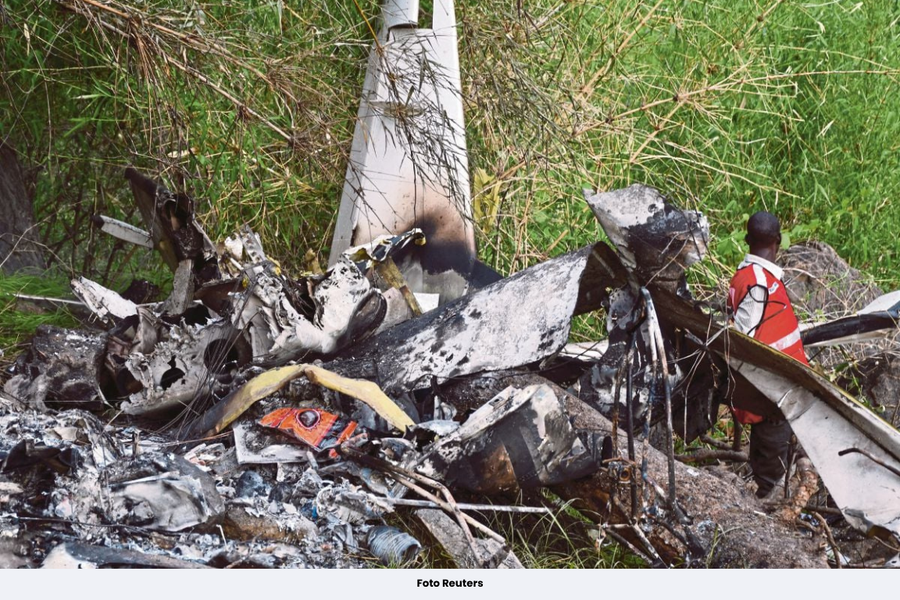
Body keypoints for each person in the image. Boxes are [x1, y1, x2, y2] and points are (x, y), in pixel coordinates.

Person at [727, 211, 808, 498]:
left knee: (778, 466)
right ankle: (769, 510)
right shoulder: (759, 282)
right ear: (779, 240)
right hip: (773, 395)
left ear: (747, 239)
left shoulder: (749, 277)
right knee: (771, 479)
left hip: (779, 392)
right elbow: (744, 341)